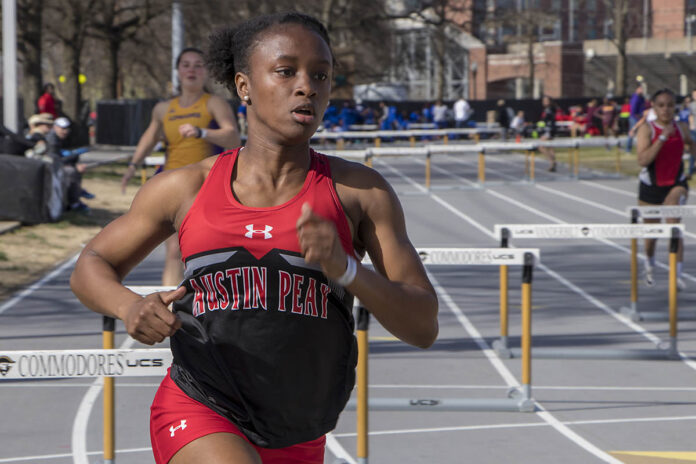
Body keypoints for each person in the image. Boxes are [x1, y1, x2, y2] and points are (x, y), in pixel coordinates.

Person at [70, 12, 438, 464]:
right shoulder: (185, 188)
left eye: (320, 75)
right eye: (286, 72)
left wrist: (346, 268)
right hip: (200, 404)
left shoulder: (361, 192)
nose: (307, 86)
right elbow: (91, 265)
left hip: (299, 426)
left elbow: (422, 326)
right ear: (243, 86)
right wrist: (129, 306)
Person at [120, 47, 240, 286]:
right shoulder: (163, 109)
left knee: (202, 251)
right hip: (171, 185)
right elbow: (149, 137)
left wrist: (201, 132)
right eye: (186, 65)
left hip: (204, 185)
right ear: (178, 71)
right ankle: (171, 308)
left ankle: (206, 302)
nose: (191, 70)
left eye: (198, 65)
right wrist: (133, 165)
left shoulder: (214, 103)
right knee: (174, 251)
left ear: (206, 72)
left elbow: (233, 138)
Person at [636, 88, 696, 290]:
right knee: (651, 235)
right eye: (661, 105)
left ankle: (677, 274)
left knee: (673, 226)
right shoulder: (647, 129)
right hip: (651, 186)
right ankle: (650, 262)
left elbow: (691, 144)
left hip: (675, 184)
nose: (666, 110)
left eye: (670, 105)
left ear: (675, 107)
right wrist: (662, 138)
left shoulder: (681, 127)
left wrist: (691, 167)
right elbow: (642, 160)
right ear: (654, 107)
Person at [45, 117, 91, 213]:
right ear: (55, 127)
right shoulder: (52, 139)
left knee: (74, 169)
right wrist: (74, 156)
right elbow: (55, 160)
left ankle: (77, 193)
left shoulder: (61, 138)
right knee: (71, 171)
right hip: (49, 167)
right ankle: (74, 202)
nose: (65, 131)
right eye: (62, 128)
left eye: (67, 129)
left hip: (55, 164)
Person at [538, 96, 557, 172]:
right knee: (550, 147)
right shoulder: (547, 109)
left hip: (549, 130)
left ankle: (552, 161)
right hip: (549, 130)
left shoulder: (550, 109)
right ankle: (553, 163)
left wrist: (543, 123)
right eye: (543, 100)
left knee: (541, 147)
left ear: (550, 101)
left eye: (546, 100)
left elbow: (548, 120)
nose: (544, 102)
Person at [626, 85, 646, 153]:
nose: (642, 90)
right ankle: (628, 149)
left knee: (641, 133)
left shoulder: (641, 98)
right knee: (632, 132)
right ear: (637, 89)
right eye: (640, 89)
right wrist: (638, 117)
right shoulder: (635, 98)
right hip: (634, 118)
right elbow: (633, 110)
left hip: (640, 117)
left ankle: (640, 148)